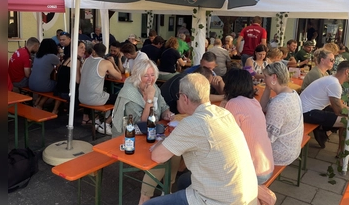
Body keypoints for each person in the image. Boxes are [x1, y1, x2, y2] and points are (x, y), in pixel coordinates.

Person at [143, 73, 258, 205]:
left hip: (220, 200)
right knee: (184, 181)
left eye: (178, 96)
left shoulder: (192, 123)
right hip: (247, 192)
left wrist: (165, 140)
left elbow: (157, 156)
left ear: (185, 98)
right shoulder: (223, 112)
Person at [108, 60, 175, 204]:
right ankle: (145, 197)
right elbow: (142, 124)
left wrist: (167, 114)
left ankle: (167, 189)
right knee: (160, 157)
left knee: (175, 152)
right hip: (129, 138)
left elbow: (163, 107)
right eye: (146, 76)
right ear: (138, 77)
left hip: (149, 134)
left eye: (152, 75)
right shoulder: (129, 94)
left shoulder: (153, 87)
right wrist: (149, 100)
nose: (150, 79)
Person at [300, 61, 349, 152]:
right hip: (307, 113)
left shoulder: (331, 80)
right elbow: (339, 111)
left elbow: (338, 105)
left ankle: (342, 152)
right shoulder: (334, 84)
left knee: (347, 119)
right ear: (347, 72)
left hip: (308, 109)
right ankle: (344, 157)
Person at [221, 68, 274, 185]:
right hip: (267, 165)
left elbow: (225, 137)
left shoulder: (233, 104)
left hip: (253, 172)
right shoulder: (254, 101)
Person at [259, 62, 304, 166]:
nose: (264, 80)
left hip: (281, 154)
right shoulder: (292, 93)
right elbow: (263, 107)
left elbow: (268, 138)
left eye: (266, 77)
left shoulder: (279, 103)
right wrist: (267, 87)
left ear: (274, 77)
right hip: (293, 148)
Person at [79, 43, 122, 135]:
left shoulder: (86, 60)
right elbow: (119, 77)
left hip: (81, 97)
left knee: (104, 93)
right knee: (121, 98)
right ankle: (106, 124)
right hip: (94, 99)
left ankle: (97, 120)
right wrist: (113, 63)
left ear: (93, 51)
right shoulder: (105, 63)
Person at [54, 41, 90, 121]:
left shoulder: (68, 59)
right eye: (81, 47)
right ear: (74, 48)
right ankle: (86, 117)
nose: (83, 50)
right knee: (88, 94)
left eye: (84, 48)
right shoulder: (76, 61)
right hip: (67, 93)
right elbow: (77, 81)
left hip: (59, 90)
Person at [29, 38, 61, 113]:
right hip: (42, 86)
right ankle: (41, 105)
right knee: (58, 88)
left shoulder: (37, 56)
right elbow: (60, 68)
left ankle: (36, 103)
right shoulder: (52, 57)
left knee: (46, 83)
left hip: (31, 83)